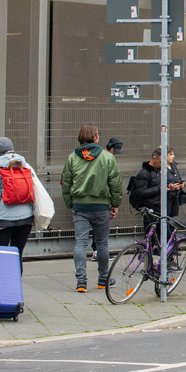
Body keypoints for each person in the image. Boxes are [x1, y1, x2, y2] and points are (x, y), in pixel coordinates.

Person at [60, 124, 122, 292]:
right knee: (102, 244)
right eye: (98, 134)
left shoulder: (73, 157)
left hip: (80, 206)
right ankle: (103, 279)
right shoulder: (108, 158)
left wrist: (69, 203)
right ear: (95, 136)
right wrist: (115, 204)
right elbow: (115, 183)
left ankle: (81, 282)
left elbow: (66, 183)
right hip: (101, 206)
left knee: (80, 243)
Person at [0, 137, 36, 269]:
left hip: (3, 221)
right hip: (26, 219)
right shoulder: (25, 165)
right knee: (17, 254)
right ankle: (15, 287)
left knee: (0, 257)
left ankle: (1, 288)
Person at [130, 149, 184, 239]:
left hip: (159, 206)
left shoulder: (159, 171)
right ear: (154, 158)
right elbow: (141, 192)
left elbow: (160, 185)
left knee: (166, 232)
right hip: (150, 207)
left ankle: (164, 250)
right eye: (160, 162)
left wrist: (169, 186)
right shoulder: (144, 173)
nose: (161, 165)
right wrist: (159, 189)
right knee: (151, 233)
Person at [90, 137, 123, 261]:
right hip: (101, 198)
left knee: (99, 227)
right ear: (110, 146)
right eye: (115, 150)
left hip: (99, 197)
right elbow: (114, 182)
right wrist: (115, 203)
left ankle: (98, 251)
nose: (115, 153)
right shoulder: (105, 157)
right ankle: (97, 251)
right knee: (100, 227)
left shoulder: (104, 157)